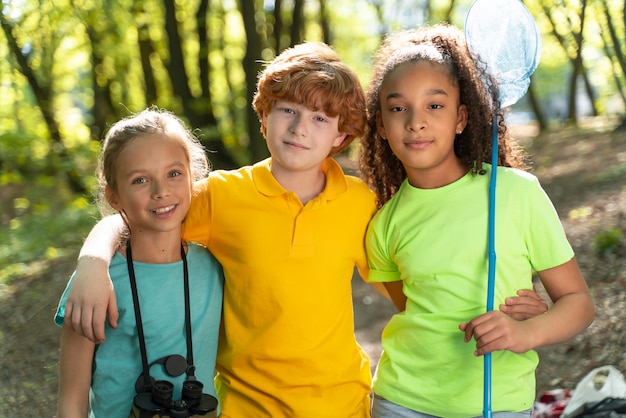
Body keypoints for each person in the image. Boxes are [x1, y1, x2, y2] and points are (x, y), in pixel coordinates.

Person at [60, 42, 549, 418]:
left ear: (340, 136)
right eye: (287, 111)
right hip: (248, 405)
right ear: (264, 116)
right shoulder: (222, 197)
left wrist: (510, 299)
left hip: (342, 401)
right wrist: (92, 261)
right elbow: (140, 212)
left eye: (319, 118)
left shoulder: (361, 204)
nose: (299, 128)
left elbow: (418, 292)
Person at [358, 24, 595, 418]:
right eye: (398, 108)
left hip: (498, 403)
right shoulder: (384, 223)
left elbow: (578, 304)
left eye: (435, 105)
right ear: (382, 126)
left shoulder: (516, 194)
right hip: (401, 401)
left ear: (461, 118)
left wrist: (527, 331)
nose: (415, 121)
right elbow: (417, 307)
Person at [54, 107, 224, 417]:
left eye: (174, 174)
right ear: (114, 197)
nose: (161, 192)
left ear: (192, 179)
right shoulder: (95, 283)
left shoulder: (216, 267)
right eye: (140, 180)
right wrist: (92, 263)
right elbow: (71, 402)